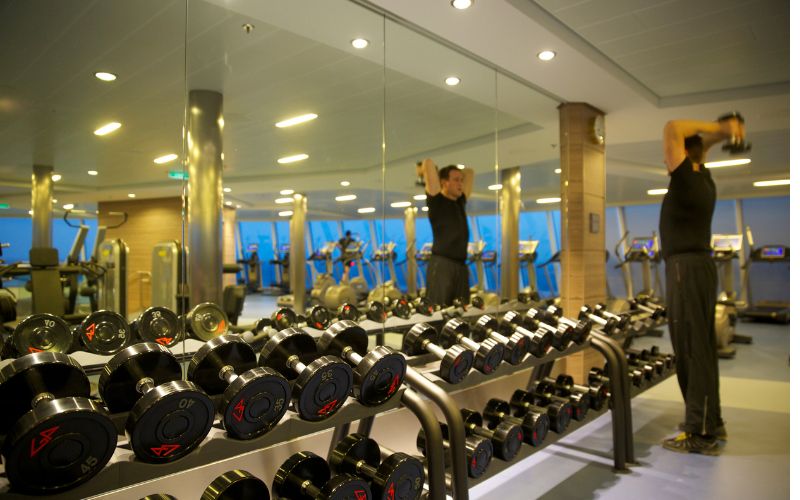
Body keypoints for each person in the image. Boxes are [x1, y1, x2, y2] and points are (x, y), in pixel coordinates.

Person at [658, 115, 744, 455]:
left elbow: (671, 127)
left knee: (690, 349)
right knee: (702, 348)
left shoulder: (687, 180)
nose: (667, 160)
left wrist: (719, 130)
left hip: (685, 269)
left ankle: (700, 431)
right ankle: (711, 421)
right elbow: (697, 148)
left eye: (674, 155)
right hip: (696, 267)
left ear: (683, 157)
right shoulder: (703, 179)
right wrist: (718, 138)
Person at [416, 158, 474, 306]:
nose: (460, 183)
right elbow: (428, 162)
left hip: (461, 266)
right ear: (444, 182)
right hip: (442, 264)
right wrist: (423, 170)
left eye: (461, 180)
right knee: (438, 310)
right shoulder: (437, 200)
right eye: (456, 180)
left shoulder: (460, 201)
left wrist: (457, 173)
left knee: (462, 310)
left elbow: (470, 172)